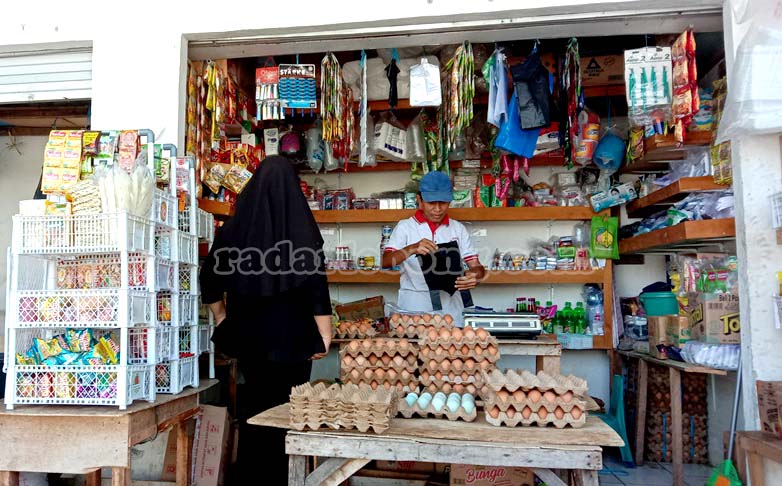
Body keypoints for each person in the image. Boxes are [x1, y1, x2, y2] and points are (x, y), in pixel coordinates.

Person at [200, 156, 332, 483]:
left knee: (255, 411)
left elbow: (209, 281)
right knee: (291, 413)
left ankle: (251, 478)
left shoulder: (232, 232)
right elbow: (317, 289)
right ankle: (287, 478)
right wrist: (325, 336)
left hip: (250, 341)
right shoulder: (302, 234)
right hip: (296, 343)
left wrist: (221, 318)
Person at [381, 171, 486, 325]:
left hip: (450, 307)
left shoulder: (458, 229)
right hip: (415, 307)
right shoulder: (405, 227)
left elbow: (477, 267)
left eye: (443, 203)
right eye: (431, 203)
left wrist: (475, 276)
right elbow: (386, 261)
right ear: (419, 200)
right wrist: (412, 248)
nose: (437, 209)